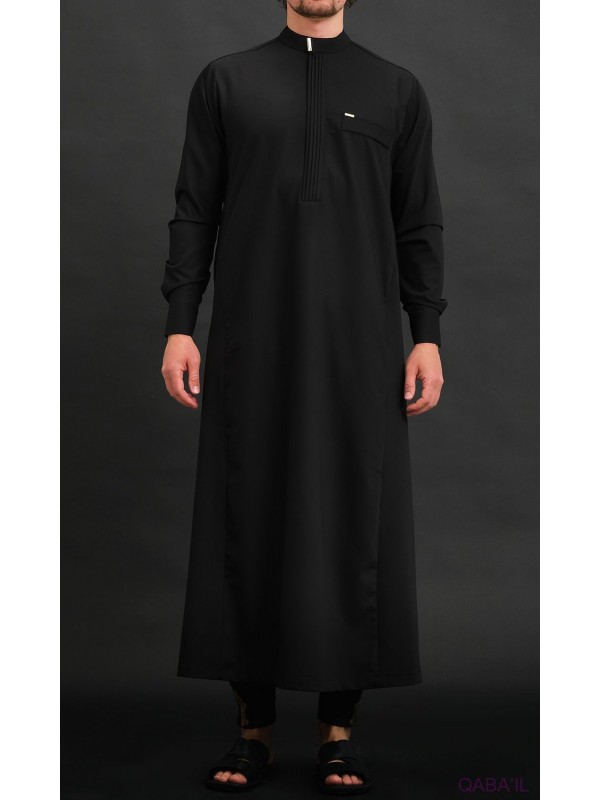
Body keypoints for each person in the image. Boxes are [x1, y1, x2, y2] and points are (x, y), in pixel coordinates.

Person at [160, 0, 447, 793]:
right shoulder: (227, 81)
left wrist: (425, 332)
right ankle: (251, 731)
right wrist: (181, 325)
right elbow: (195, 209)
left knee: (353, 517)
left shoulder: (396, 88)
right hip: (250, 338)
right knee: (247, 512)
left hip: (361, 346)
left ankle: (337, 734)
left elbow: (419, 221)